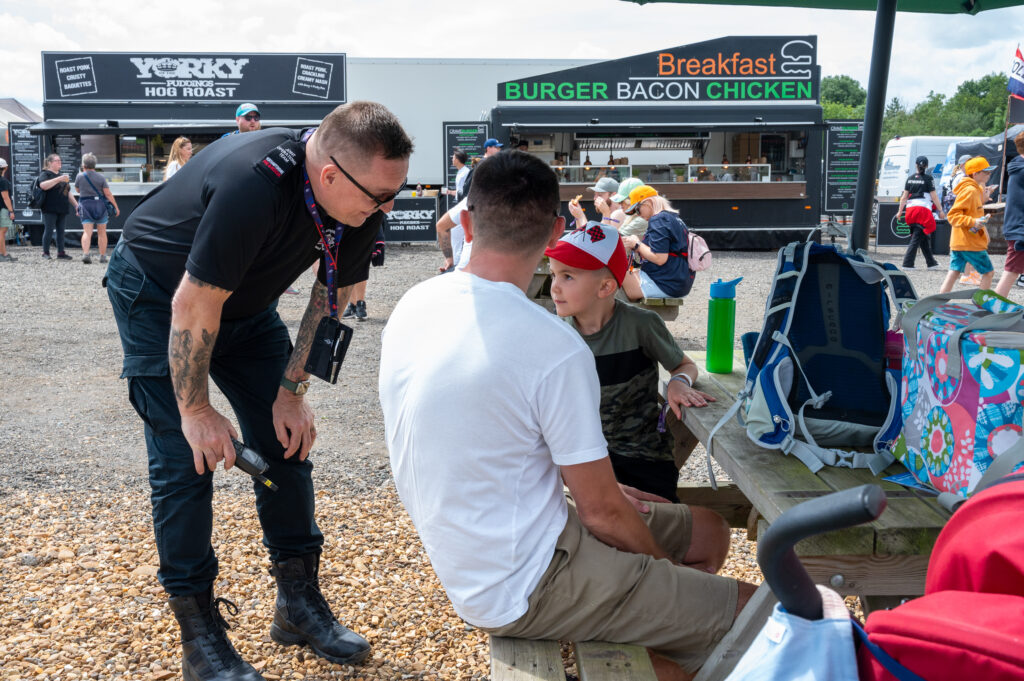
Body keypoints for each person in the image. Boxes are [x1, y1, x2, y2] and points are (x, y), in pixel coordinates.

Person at [379, 151, 756, 681]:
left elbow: (483, 439)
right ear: (555, 229)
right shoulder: (552, 345)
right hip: (526, 581)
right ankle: (656, 630)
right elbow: (602, 513)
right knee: (764, 616)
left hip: (498, 549)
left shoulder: (415, 304)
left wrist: (600, 500)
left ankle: (653, 630)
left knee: (711, 531)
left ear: (466, 222)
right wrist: (655, 568)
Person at [105, 101, 413, 681]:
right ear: (329, 175)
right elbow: (193, 303)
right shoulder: (255, 184)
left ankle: (297, 603)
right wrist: (196, 408)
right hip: (158, 293)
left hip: (243, 305)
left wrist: (291, 390)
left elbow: (332, 297)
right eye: (378, 197)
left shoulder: (362, 196)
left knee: (285, 444)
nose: (387, 207)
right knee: (186, 458)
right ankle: (198, 636)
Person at [546, 223, 715, 501]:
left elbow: (685, 365)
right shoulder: (553, 334)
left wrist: (678, 383)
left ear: (606, 286)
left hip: (643, 458)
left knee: (657, 530)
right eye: (553, 274)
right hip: (581, 460)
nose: (554, 287)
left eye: (567, 277)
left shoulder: (642, 325)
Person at [620, 185, 695, 300]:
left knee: (612, 273)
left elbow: (660, 258)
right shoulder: (673, 218)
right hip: (678, 283)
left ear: (648, 203)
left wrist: (636, 244)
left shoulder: (658, 219)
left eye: (637, 210)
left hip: (664, 284)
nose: (638, 215)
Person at [940, 156, 997, 294]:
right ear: (975, 174)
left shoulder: (972, 188)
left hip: (959, 241)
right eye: (986, 172)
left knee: (953, 273)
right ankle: (982, 304)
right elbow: (953, 215)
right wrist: (974, 221)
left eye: (989, 171)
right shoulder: (970, 190)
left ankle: (937, 303)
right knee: (988, 273)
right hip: (969, 242)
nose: (989, 174)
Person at [897, 155, 945, 270]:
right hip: (923, 211)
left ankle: (931, 263)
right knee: (917, 237)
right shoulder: (929, 179)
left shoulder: (910, 178)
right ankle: (907, 263)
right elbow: (934, 196)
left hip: (910, 210)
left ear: (916, 165)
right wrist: (940, 210)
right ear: (927, 166)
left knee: (922, 236)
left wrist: (899, 212)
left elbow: (904, 197)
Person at [74, 153, 120, 264]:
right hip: (100, 205)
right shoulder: (101, 177)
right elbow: (108, 194)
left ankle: (86, 254)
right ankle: (103, 256)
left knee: (87, 231)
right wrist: (116, 207)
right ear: (95, 165)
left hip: (85, 205)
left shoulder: (79, 176)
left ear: (83, 165)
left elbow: (77, 190)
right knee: (102, 232)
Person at [995, 131, 1024, 298]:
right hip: (1020, 230)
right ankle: (992, 314)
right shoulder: (1021, 170)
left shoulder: (1017, 167)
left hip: (1017, 228)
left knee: (1011, 273)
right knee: (1010, 274)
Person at [341, 225, 387, 321]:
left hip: (364, 222)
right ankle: (352, 305)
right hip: (346, 222)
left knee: (361, 264)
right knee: (347, 266)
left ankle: (360, 303)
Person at [37, 153, 78, 260]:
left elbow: (67, 192)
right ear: (50, 163)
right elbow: (43, 186)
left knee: (61, 231)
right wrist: (59, 179)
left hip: (62, 207)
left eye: (60, 160)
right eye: (57, 161)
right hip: (49, 208)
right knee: (49, 230)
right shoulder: (45, 174)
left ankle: (61, 253)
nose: (60, 162)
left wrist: (76, 205)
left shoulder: (61, 175)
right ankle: (45, 252)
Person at [0, 158, 16, 261]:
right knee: (2, 232)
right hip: (3, 209)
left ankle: (3, 253)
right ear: (5, 168)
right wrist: (11, 211)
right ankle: (3, 254)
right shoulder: (3, 181)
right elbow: (6, 197)